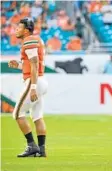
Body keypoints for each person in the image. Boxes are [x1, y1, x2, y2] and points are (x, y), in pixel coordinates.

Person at [8, 18, 48, 157]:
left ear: (26, 30)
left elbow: (35, 64)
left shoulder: (29, 40)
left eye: (19, 28)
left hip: (34, 81)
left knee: (17, 113)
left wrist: (33, 87)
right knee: (37, 116)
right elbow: (33, 64)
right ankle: (42, 150)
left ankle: (32, 146)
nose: (16, 30)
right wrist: (19, 65)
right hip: (41, 80)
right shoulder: (36, 40)